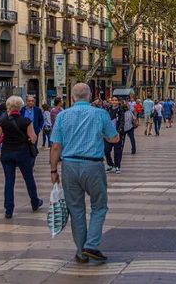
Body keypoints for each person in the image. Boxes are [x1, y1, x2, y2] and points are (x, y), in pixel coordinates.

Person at [50, 83, 119, 263]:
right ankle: (92, 244)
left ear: (72, 98)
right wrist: (101, 134)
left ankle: (81, 252)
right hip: (93, 165)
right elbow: (114, 138)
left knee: (76, 210)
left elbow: (56, 145)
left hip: (69, 165)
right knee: (99, 206)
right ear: (89, 96)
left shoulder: (62, 116)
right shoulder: (101, 114)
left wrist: (53, 171)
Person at [0, 95, 43, 218]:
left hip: (7, 153)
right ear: (20, 106)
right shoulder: (26, 121)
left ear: (8, 106)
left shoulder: (3, 122)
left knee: (9, 180)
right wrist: (27, 140)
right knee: (28, 178)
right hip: (22, 152)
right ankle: (35, 202)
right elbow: (33, 138)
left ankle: (9, 209)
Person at [105, 97, 128, 174]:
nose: (114, 102)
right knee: (106, 150)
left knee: (117, 151)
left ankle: (117, 166)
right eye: (113, 100)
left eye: (116, 100)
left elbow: (122, 122)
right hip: (108, 134)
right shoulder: (108, 110)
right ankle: (110, 164)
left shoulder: (120, 110)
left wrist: (119, 131)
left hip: (117, 134)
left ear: (118, 102)